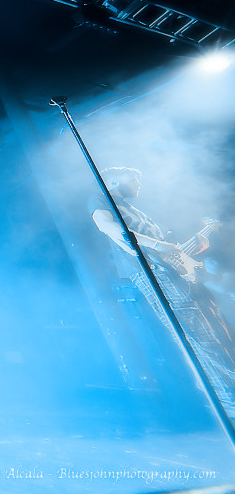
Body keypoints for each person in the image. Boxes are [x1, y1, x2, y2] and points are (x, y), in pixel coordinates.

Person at [92, 166, 235, 422]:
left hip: (171, 272)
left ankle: (228, 396)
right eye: (134, 178)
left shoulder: (136, 210)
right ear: (113, 180)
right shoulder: (102, 200)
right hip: (152, 272)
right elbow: (108, 228)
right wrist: (158, 245)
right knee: (197, 336)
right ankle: (229, 401)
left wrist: (189, 248)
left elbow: (173, 252)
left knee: (211, 332)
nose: (139, 183)